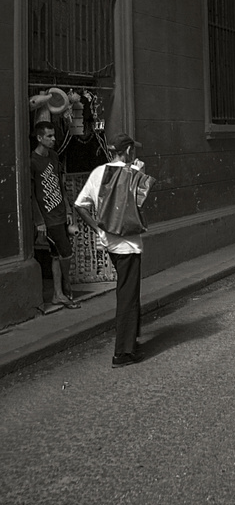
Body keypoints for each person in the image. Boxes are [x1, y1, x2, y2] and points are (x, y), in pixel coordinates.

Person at [75, 133, 150, 368]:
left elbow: (80, 205)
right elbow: (140, 203)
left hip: (109, 241)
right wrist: (139, 173)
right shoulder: (134, 174)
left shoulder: (99, 172)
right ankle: (123, 353)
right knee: (128, 295)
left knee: (128, 291)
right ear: (127, 151)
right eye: (132, 150)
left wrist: (97, 227)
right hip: (129, 244)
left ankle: (132, 339)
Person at [30, 122, 80, 309]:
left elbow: (61, 185)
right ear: (39, 138)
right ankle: (66, 288)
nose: (53, 139)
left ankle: (57, 294)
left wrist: (67, 209)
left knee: (57, 255)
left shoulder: (53, 156)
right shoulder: (32, 161)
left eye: (53, 136)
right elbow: (32, 194)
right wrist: (39, 220)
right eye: (49, 136)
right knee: (65, 252)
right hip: (48, 217)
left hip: (60, 213)